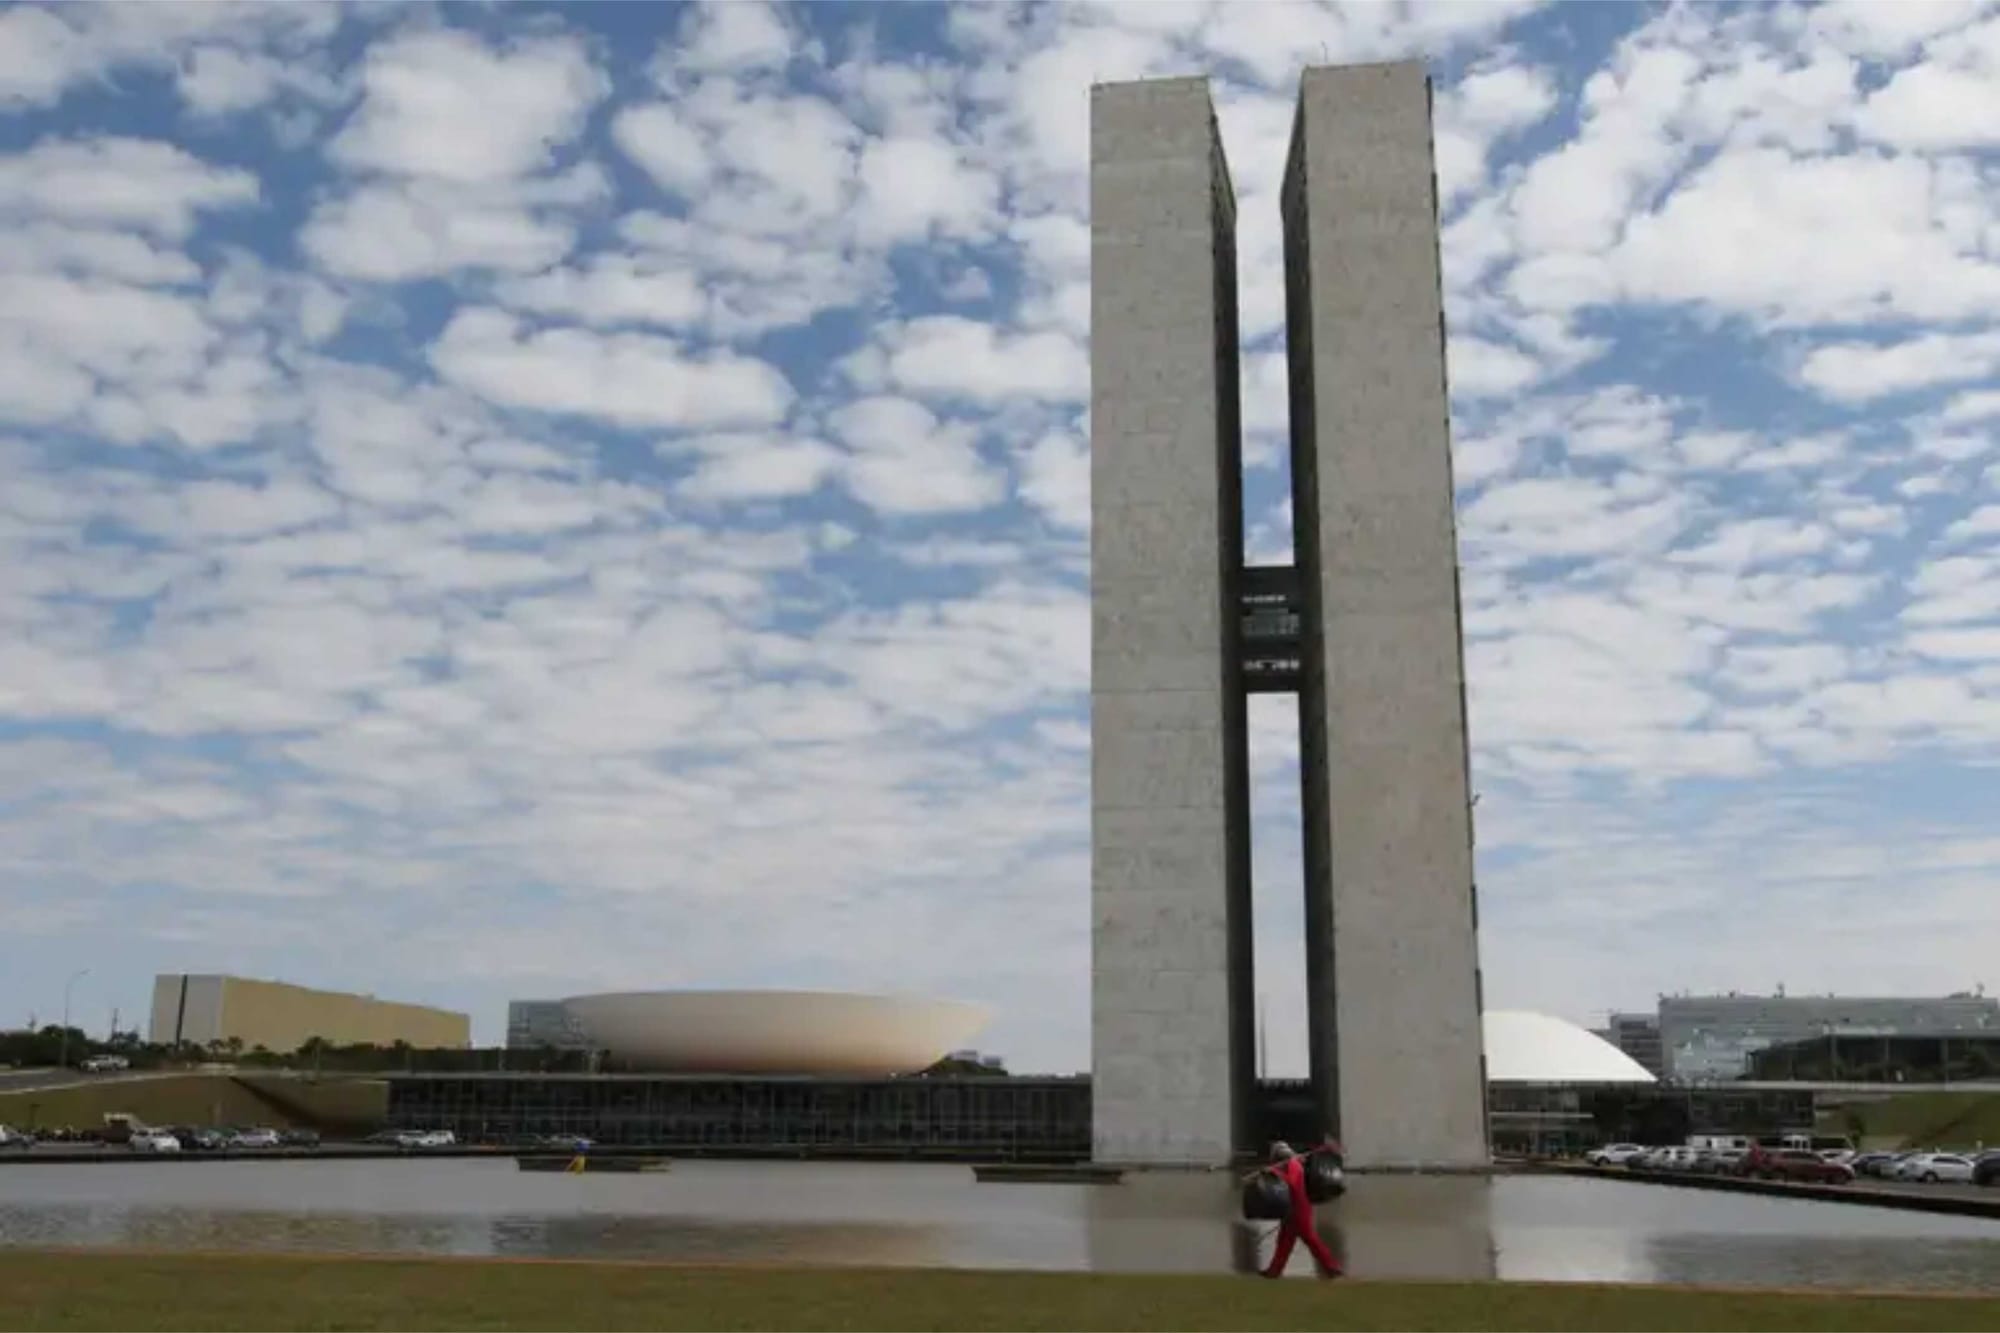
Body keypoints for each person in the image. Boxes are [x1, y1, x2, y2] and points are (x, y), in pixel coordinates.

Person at [1251, 1140, 1342, 1280]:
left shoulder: (1294, 1165)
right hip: (1290, 1211)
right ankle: (1274, 1272)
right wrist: (1271, 1173)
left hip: (1300, 1210)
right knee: (1284, 1243)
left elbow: (1292, 1183)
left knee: (1311, 1240)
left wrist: (1275, 1172)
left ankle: (1333, 1268)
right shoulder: (1288, 1165)